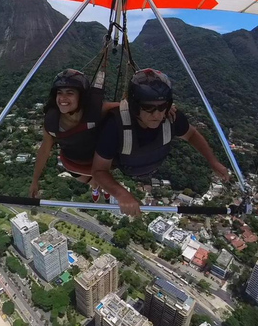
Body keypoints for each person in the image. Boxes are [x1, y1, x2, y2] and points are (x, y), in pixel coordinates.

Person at [91, 68, 230, 216]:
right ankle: (98, 187)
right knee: (93, 175)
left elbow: (191, 134)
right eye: (148, 107)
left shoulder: (171, 118)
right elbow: (99, 170)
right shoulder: (115, 126)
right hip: (122, 166)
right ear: (134, 106)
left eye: (162, 107)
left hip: (152, 166)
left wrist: (212, 161)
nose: (157, 114)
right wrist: (121, 193)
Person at [30, 69, 116, 202]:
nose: (63, 98)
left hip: (97, 162)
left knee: (100, 177)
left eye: (70, 93)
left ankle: (103, 186)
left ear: (81, 97)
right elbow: (44, 150)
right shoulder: (53, 122)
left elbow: (127, 109)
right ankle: (96, 186)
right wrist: (35, 180)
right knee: (93, 182)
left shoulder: (96, 111)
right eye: (60, 93)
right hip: (73, 165)